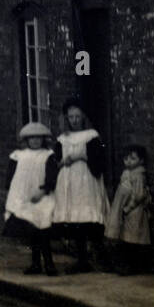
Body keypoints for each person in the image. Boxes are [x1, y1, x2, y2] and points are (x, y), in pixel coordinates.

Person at [50, 98, 110, 273]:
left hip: (85, 179)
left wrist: (81, 157)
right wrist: (63, 162)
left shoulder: (91, 136)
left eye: (77, 117)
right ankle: (82, 258)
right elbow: (56, 161)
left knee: (87, 214)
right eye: (71, 117)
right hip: (68, 180)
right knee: (73, 217)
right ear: (66, 118)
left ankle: (98, 257)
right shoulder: (62, 139)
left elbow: (98, 162)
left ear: (83, 117)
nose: (74, 120)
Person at [4, 123, 59, 276]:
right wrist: (14, 193)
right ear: (26, 140)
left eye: (38, 138)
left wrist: (43, 191)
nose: (35, 141)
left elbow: (52, 176)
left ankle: (49, 263)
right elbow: (11, 176)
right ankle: (35, 264)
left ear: (44, 139)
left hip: (42, 196)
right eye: (32, 138)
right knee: (32, 231)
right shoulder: (18, 156)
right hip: (24, 197)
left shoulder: (47, 155)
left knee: (43, 228)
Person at [104, 144, 152, 275]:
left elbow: (139, 194)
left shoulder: (138, 175)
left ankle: (133, 266)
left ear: (141, 161)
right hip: (125, 210)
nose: (128, 161)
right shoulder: (127, 173)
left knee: (133, 238)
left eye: (133, 158)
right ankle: (126, 265)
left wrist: (128, 208)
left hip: (134, 211)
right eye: (126, 158)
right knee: (126, 236)